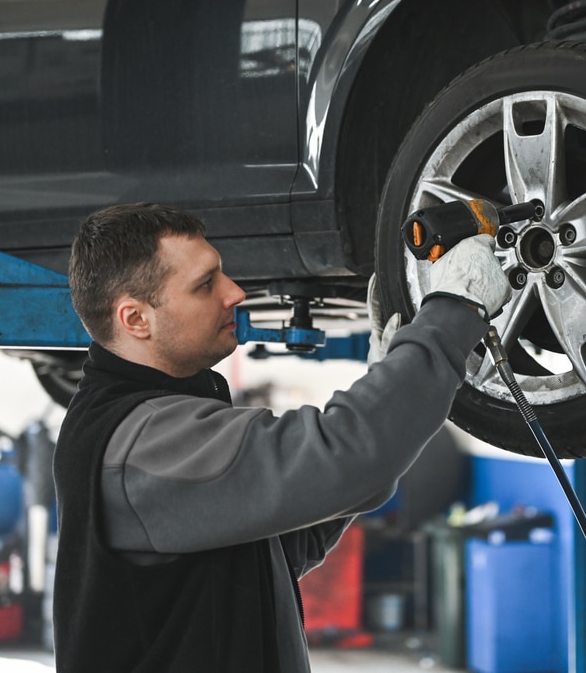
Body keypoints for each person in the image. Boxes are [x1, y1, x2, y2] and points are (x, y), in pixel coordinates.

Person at [51, 202, 511, 672]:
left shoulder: (145, 421)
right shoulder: (141, 444)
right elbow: (347, 457)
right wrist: (455, 310)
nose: (234, 292)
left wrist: (393, 386)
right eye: (205, 285)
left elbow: (281, 540)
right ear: (135, 319)